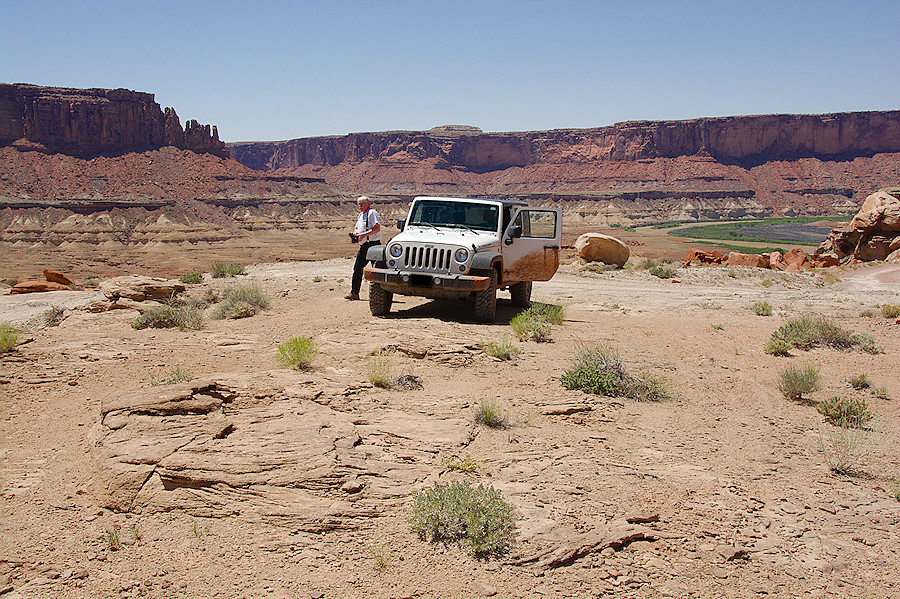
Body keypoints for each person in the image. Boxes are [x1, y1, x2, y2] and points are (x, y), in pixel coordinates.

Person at [346, 195, 381, 300]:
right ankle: (354, 293)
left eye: (362, 204)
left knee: (377, 271)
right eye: (358, 204)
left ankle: (381, 295)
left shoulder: (372, 213)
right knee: (357, 269)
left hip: (373, 245)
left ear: (368, 203)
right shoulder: (360, 215)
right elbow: (357, 227)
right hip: (364, 246)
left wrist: (364, 234)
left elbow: (377, 228)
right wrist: (356, 234)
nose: (360, 206)